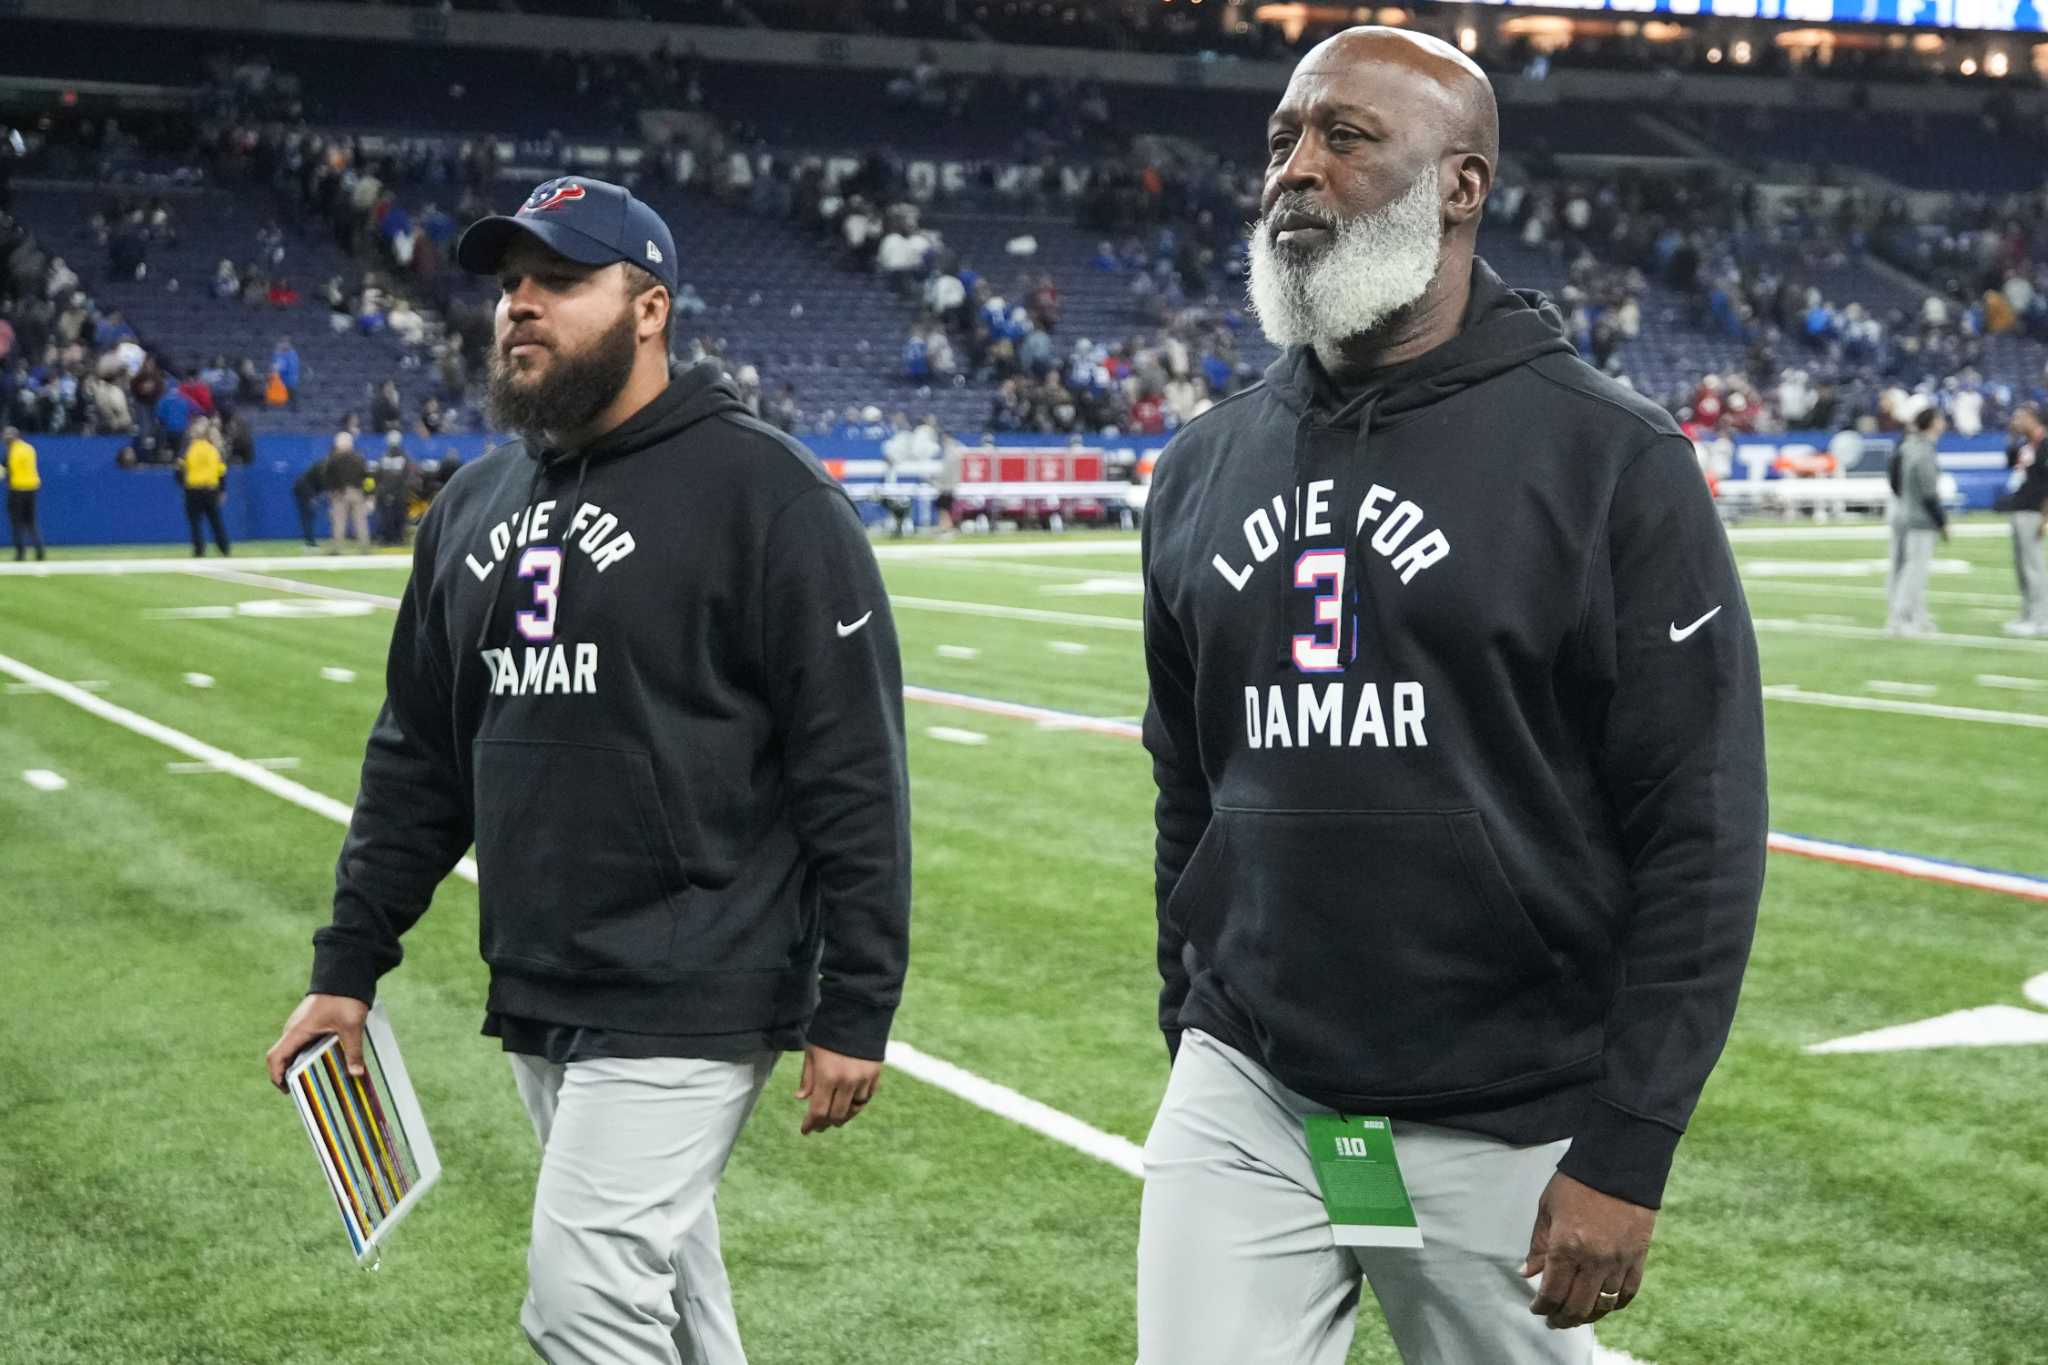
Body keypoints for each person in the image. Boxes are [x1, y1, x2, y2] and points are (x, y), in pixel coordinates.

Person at [1136, 29, 1766, 1365]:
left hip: (1499, 1108)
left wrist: (1629, 1144)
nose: (1294, 170)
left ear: (1462, 185)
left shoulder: (1609, 461)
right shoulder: (1202, 465)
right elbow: (1188, 776)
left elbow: (1699, 828)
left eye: (1344, 138)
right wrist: (1186, 999)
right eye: (1281, 139)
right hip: (1255, 1089)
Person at [264, 175, 911, 1365]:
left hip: (697, 978)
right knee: (671, 1303)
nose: (520, 305)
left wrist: (856, 1002)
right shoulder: (471, 505)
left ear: (648, 306)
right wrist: (347, 966)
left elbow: (852, 767)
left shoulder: (766, 494)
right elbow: (418, 759)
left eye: (559, 280)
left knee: (583, 1301)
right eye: (511, 282)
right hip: (543, 979)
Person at [1886, 407, 1947, 637]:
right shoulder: (1921, 449)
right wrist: (1941, 521)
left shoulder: (1906, 446)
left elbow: (1894, 479)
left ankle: (1916, 618)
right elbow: (1929, 491)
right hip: (1919, 517)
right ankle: (1901, 618)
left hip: (1905, 511)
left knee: (1903, 568)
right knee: (1914, 570)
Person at [1996, 404, 2048, 637]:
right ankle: (2027, 614)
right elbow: (2009, 462)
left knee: (2033, 566)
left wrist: (2045, 516)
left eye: (2020, 417)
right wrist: (2013, 436)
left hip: (2034, 510)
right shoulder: (2026, 445)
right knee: (2021, 566)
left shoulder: (2045, 444)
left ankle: (2041, 617)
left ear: (2032, 418)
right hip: (2019, 507)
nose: (2015, 421)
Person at [325, 429, 371, 553]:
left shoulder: (333, 459)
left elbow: (329, 477)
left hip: (340, 493)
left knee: (339, 521)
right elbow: (367, 477)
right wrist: (369, 494)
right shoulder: (359, 458)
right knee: (360, 521)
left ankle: (336, 547)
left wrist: (333, 491)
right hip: (357, 492)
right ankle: (364, 547)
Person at [5, 424, 46, 562]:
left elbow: (9, 470)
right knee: (31, 522)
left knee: (16, 523)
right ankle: (39, 551)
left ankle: (20, 553)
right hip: (32, 489)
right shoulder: (29, 448)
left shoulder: (13, 451)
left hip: (17, 490)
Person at [292, 449, 327, 549]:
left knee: (308, 517)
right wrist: (312, 498)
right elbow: (321, 483)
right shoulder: (324, 467)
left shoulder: (323, 465)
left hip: (306, 490)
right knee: (307, 517)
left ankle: (310, 542)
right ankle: (310, 543)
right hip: (304, 491)